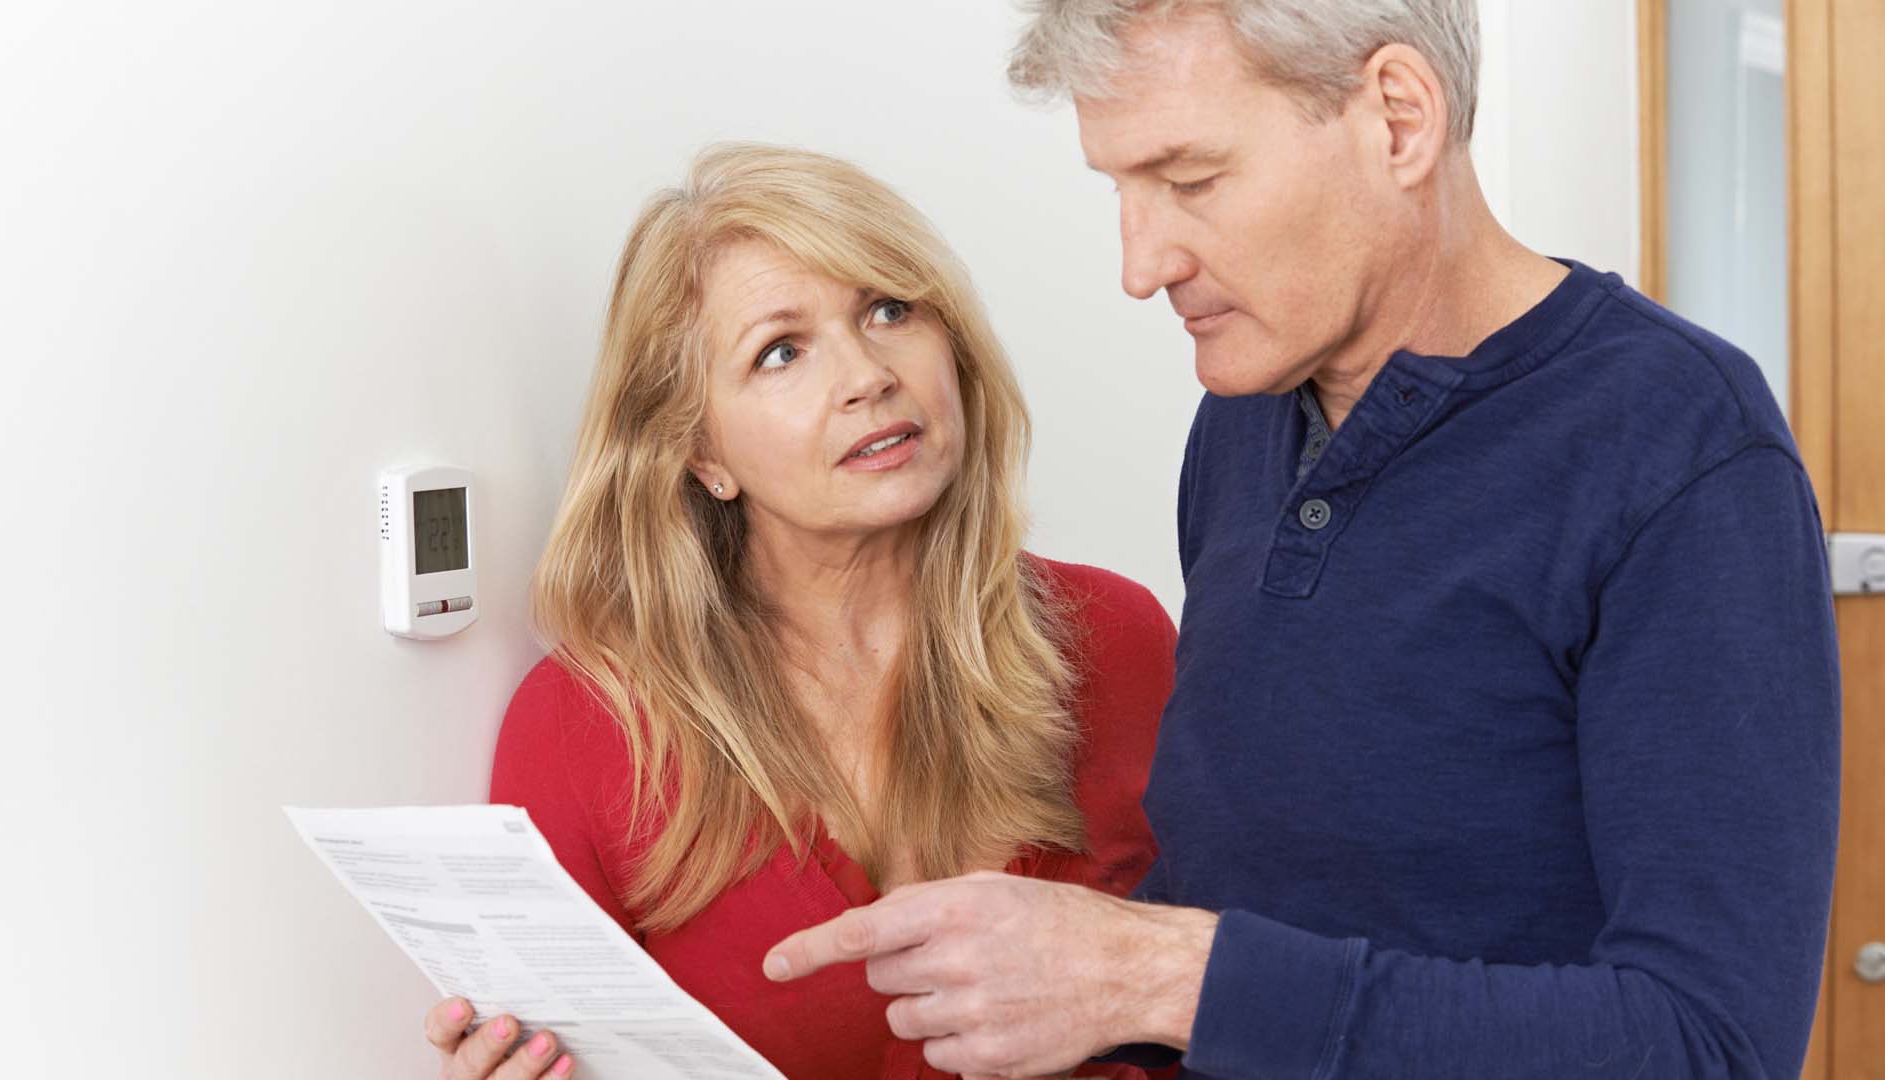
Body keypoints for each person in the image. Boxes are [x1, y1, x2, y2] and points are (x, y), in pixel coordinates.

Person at [765, 3, 1842, 1078]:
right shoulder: (1244, 421)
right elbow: (1269, 914)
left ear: (1397, 118)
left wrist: (1158, 974)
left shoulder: (1681, 449)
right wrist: (1046, 978)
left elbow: (1711, 1045)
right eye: (1121, 191)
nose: (1141, 265)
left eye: (1189, 181)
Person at [418, 143, 1179, 1080]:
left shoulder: (1121, 640)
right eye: (781, 352)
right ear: (702, 453)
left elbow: (1251, 990)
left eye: (889, 310)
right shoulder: (588, 732)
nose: (867, 374)